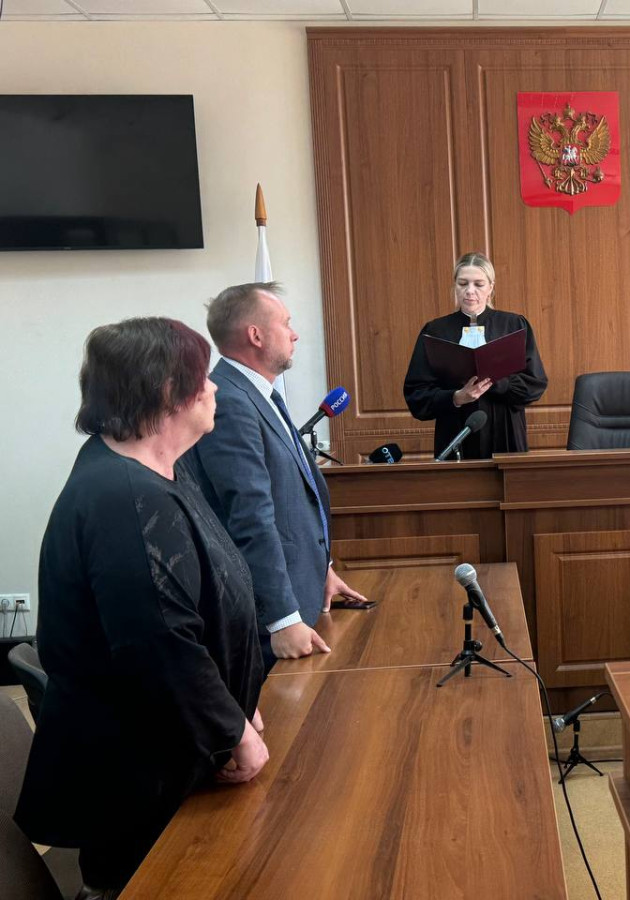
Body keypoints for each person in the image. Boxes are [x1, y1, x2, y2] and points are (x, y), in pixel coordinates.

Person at [16, 318, 267, 897]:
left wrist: (238, 699)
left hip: (170, 758)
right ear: (168, 392)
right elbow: (158, 645)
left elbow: (199, 604)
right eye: (203, 377)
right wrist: (231, 730)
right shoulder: (124, 496)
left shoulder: (154, 472)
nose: (215, 387)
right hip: (139, 787)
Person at [187, 282, 368, 668]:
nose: (294, 334)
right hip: (271, 621)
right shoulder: (231, 402)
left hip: (300, 595)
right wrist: (282, 618)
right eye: (285, 323)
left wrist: (322, 571)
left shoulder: (257, 392)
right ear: (255, 335)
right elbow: (250, 517)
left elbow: (291, 497)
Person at [404, 252, 548, 458]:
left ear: (491, 288)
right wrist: (456, 397)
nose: (470, 291)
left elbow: (535, 383)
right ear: (455, 286)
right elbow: (416, 394)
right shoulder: (435, 331)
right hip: (455, 431)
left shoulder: (514, 325)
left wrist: (498, 383)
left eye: (479, 284)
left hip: (505, 432)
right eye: (463, 283)